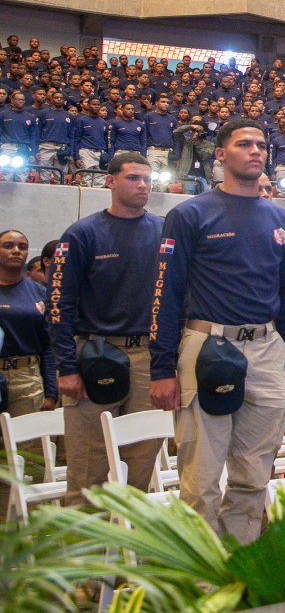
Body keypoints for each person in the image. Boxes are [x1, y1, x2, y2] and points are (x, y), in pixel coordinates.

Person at [150, 118, 285, 543]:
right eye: (244, 144)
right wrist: (161, 368)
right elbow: (166, 294)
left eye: (261, 145)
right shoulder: (189, 214)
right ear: (220, 154)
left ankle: (241, 563)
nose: (256, 151)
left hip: (268, 349)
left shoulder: (283, 221)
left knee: (254, 476)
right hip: (208, 345)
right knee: (201, 480)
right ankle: (200, 573)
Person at [48, 153, 162, 506]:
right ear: (110, 181)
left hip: (149, 357)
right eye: (133, 178)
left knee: (140, 468)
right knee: (88, 472)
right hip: (94, 355)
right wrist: (66, 367)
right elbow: (58, 305)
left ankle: (131, 538)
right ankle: (84, 541)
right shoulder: (82, 233)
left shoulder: (163, 230)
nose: (142, 185)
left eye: (147, 179)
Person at [0, 229, 54, 419]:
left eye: (22, 247)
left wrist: (51, 391)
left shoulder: (39, 293)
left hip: (26, 378)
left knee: (27, 438)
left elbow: (48, 344)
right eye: (8, 246)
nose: (16, 250)